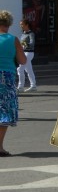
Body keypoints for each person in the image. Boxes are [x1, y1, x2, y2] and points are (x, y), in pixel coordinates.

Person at [0, 11, 26, 156]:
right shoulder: (13, 39)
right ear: (9, 24)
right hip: (6, 76)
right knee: (4, 110)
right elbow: (23, 61)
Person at [17, 18, 37, 92]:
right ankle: (33, 86)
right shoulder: (23, 34)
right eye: (20, 25)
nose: (21, 26)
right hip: (23, 52)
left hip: (29, 53)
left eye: (22, 24)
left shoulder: (31, 33)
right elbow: (20, 43)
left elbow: (32, 43)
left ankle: (20, 87)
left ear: (27, 25)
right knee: (28, 69)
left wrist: (25, 44)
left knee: (20, 69)